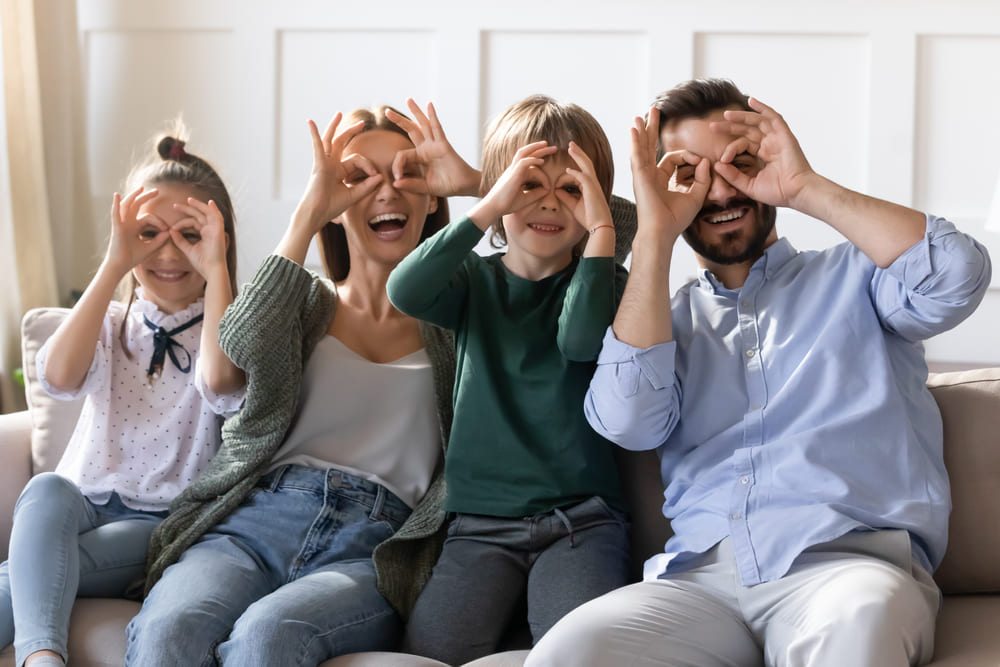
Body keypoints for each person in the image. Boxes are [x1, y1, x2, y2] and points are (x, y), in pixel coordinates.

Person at [526, 77, 992, 667]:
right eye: (689, 174)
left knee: (859, 627)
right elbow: (627, 423)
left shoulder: (862, 278)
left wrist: (805, 187)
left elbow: (957, 276)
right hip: (698, 586)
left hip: (844, 572)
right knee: (568, 651)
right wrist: (654, 232)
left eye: (738, 162)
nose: (720, 191)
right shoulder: (661, 325)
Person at [124, 106, 456, 666]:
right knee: (169, 629)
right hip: (256, 521)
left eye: (407, 173)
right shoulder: (305, 300)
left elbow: (589, 235)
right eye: (359, 177)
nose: (387, 191)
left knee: (268, 636)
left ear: (433, 197)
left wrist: (475, 182)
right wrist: (308, 212)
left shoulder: (463, 319)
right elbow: (238, 352)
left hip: (374, 547)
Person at [386, 95, 631, 664]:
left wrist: (599, 231)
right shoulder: (472, 281)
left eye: (571, 190)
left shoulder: (606, 283)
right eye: (529, 187)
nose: (549, 205)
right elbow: (405, 290)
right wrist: (487, 200)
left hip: (583, 521)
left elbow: (578, 341)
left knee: (577, 652)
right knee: (430, 650)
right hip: (479, 525)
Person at [0, 127, 244, 667]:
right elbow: (58, 378)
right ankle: (42, 658)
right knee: (44, 491)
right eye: (149, 233)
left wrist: (217, 269)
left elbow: (222, 383)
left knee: (26, 572)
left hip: (157, 522)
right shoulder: (111, 324)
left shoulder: (228, 332)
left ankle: (38, 656)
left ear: (218, 240)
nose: (167, 251)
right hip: (81, 504)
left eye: (189, 234)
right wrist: (114, 264)